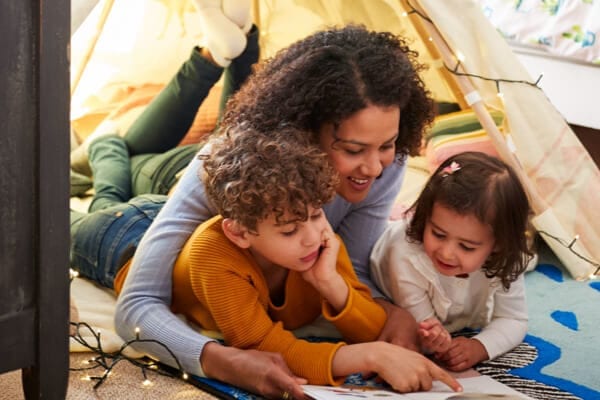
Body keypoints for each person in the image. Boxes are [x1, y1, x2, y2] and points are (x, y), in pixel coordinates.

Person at [108, 15, 435, 399]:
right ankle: (106, 151)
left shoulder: (383, 165)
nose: (375, 167)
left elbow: (351, 269)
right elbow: (135, 307)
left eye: (387, 145)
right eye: (353, 149)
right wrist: (219, 359)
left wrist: (387, 310)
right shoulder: (220, 164)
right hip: (133, 224)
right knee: (113, 187)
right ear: (303, 131)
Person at [70, 128, 461, 393]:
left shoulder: (318, 240)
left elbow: (371, 323)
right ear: (240, 233)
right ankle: (107, 148)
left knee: (107, 197)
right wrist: (369, 355)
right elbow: (261, 345)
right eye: (290, 231)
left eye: (315, 215)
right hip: (121, 240)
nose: (311, 236)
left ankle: (108, 154)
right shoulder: (216, 255)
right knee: (61, 219)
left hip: (180, 223)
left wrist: (331, 284)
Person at [370, 151, 534, 372]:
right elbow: (422, 329)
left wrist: (480, 346)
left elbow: (514, 319)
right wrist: (433, 337)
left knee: (525, 259)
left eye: (466, 246)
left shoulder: (508, 258)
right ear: (426, 217)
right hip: (385, 269)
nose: (446, 253)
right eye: (438, 234)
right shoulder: (404, 253)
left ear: (499, 244)